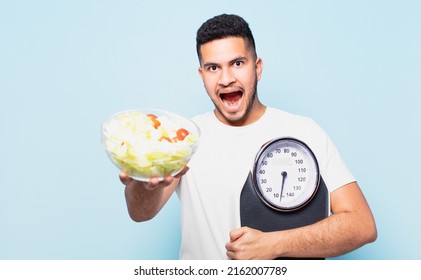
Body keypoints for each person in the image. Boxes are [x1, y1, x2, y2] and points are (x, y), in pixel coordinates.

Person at [119, 14, 377, 260]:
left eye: (237, 63)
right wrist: (142, 182)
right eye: (213, 68)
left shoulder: (304, 131)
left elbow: (362, 225)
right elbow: (140, 213)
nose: (226, 79)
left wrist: (275, 244)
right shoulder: (184, 138)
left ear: (258, 68)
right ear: (202, 75)